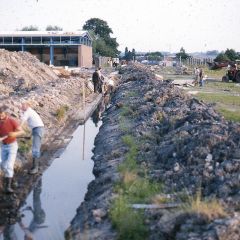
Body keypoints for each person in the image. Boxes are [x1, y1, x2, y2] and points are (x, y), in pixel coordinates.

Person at [0, 105, 24, 193]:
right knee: (2, 165)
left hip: (12, 146)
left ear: (5, 113)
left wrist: (14, 134)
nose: (0, 116)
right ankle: (12, 179)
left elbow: (21, 131)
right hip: (3, 146)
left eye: (1, 114)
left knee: (9, 165)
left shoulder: (12, 121)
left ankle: (8, 187)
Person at [20, 101, 44, 174]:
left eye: (23, 105)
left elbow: (22, 122)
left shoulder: (28, 112)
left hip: (38, 129)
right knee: (36, 147)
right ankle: (36, 166)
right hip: (37, 129)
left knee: (35, 148)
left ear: (27, 105)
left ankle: (35, 168)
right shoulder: (30, 111)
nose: (21, 107)